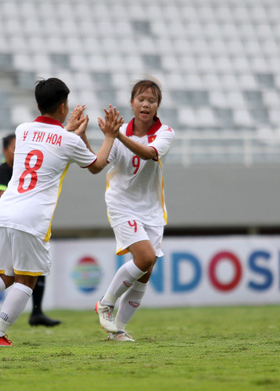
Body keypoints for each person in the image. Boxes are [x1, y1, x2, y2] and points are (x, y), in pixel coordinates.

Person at [0, 77, 122, 346]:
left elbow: (50, 142)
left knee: (1, 276)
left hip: (4, 211)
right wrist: (109, 136)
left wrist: (68, 130)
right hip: (30, 217)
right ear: (63, 107)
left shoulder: (23, 130)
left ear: (39, 105)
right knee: (27, 280)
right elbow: (96, 165)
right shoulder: (66, 140)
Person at [95, 79, 175, 341]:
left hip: (151, 210)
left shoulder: (165, 133)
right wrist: (90, 136)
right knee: (144, 258)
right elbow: (97, 164)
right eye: (141, 99)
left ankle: (116, 331)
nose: (146, 104)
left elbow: (149, 153)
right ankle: (106, 303)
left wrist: (117, 134)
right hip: (122, 204)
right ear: (132, 103)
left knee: (147, 269)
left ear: (157, 106)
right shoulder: (118, 135)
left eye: (152, 100)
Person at [0, 134, 61, 329]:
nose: (18, 150)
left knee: (36, 264)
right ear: (5, 150)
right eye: (14, 147)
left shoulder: (24, 170)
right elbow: (3, 196)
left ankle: (37, 312)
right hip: (3, 225)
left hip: (22, 223)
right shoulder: (4, 170)